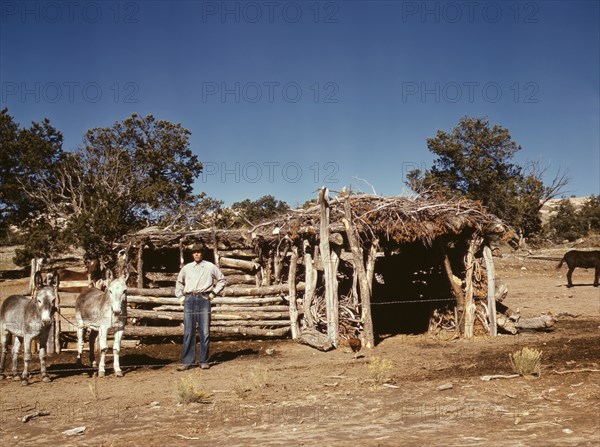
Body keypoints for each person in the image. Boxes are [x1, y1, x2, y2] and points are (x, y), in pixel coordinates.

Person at [175, 243, 226, 370]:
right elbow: (179, 283)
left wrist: (213, 293)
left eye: (198, 252)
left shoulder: (210, 266)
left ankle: (203, 360)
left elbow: (222, 280)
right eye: (194, 252)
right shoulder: (187, 268)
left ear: (202, 253)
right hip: (190, 299)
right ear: (192, 254)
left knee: (204, 331)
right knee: (188, 331)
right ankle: (187, 361)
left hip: (204, 299)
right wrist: (181, 297)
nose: (196, 254)